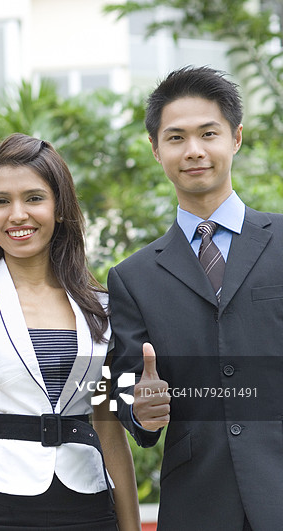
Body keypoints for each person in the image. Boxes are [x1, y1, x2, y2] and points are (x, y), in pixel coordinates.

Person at [0, 133, 140, 530]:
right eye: (1, 201)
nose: (17, 214)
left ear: (60, 209)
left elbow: (109, 429)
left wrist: (130, 527)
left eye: (34, 198)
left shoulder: (103, 307)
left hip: (89, 506)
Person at [108, 65, 283, 530]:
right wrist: (139, 410)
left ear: (236, 138)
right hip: (199, 504)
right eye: (176, 138)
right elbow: (125, 390)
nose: (195, 151)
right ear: (155, 149)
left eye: (209, 133)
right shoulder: (132, 277)